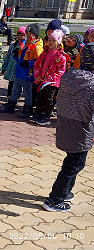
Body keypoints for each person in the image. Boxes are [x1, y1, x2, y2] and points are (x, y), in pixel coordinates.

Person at [42, 60, 94, 212]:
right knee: (73, 165)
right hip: (81, 129)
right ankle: (55, 199)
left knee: (73, 161)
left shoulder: (68, 77)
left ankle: (65, 192)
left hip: (65, 126)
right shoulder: (91, 84)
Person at [0, 23, 43, 116]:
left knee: (27, 92)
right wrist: (15, 55)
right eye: (27, 33)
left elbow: (38, 62)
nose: (27, 35)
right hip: (19, 72)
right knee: (15, 90)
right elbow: (19, 58)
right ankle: (11, 105)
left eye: (30, 33)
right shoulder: (25, 45)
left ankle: (28, 109)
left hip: (27, 74)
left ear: (35, 35)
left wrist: (28, 64)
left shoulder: (37, 47)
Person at [30, 29, 67, 126]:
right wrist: (37, 75)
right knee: (40, 97)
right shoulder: (44, 53)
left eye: (53, 41)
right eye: (49, 40)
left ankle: (46, 116)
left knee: (48, 99)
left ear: (58, 42)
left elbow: (61, 70)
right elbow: (37, 64)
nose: (50, 42)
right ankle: (37, 113)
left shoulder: (61, 56)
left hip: (52, 82)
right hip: (42, 80)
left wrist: (50, 78)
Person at [2, 26, 26, 101]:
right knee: (11, 83)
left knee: (18, 85)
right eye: (18, 35)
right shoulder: (12, 46)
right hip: (11, 68)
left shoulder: (25, 47)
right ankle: (9, 98)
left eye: (22, 35)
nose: (19, 37)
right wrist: (4, 68)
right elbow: (7, 57)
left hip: (19, 69)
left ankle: (15, 99)